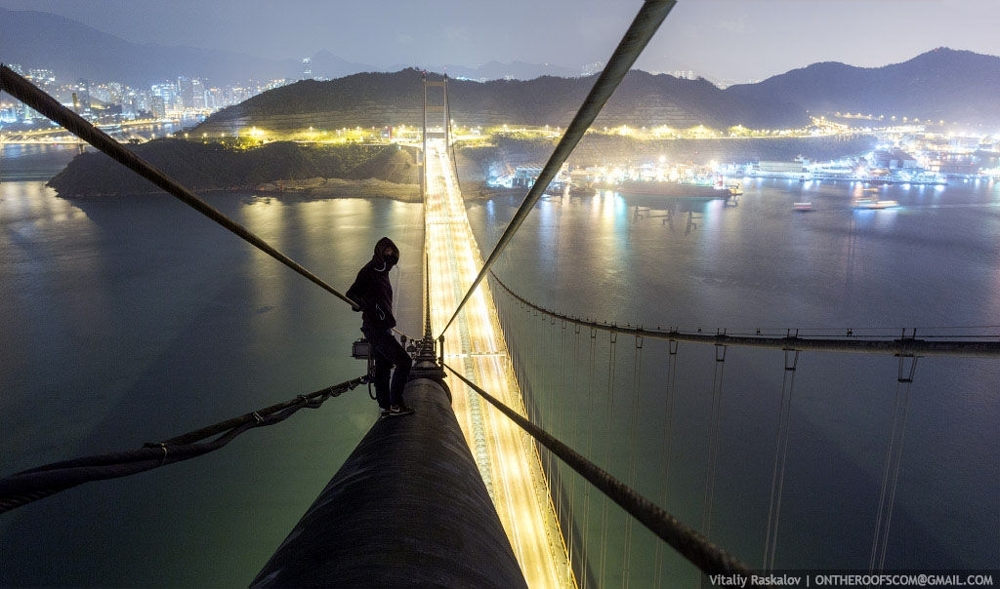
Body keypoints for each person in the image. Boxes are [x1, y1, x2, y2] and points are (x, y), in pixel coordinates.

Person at [347, 237, 414, 417]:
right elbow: (351, 294)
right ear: (379, 252)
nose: (390, 256)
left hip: (381, 327)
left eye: (392, 253)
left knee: (384, 366)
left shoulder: (383, 271)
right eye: (386, 252)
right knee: (404, 362)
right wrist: (360, 304)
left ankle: (385, 407)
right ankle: (396, 404)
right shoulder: (369, 271)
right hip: (374, 327)